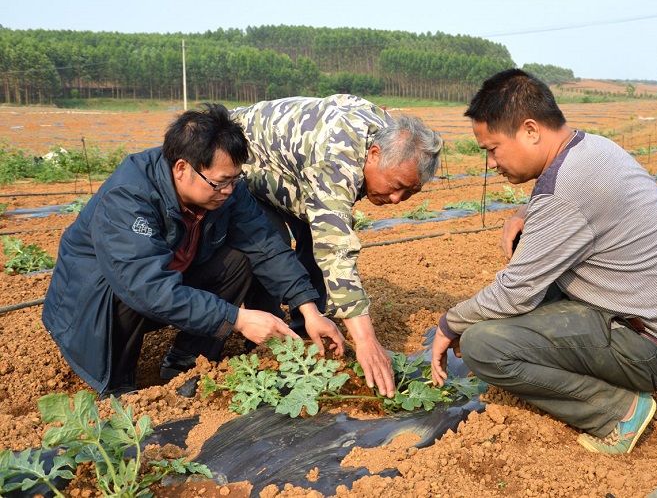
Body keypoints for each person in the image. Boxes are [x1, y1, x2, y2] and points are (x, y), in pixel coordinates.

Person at [430, 69, 657, 454]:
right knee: (516, 299)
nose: (491, 162)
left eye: (492, 148)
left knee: (482, 344)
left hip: (648, 349)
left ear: (530, 131)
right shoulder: (590, 149)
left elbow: (512, 295)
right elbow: (572, 205)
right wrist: (527, 213)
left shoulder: (566, 189)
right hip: (649, 325)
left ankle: (617, 412)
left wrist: (448, 324)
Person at [43, 103, 345, 398]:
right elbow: (147, 288)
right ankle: (118, 382)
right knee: (124, 287)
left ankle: (188, 360)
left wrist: (309, 310)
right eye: (220, 182)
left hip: (166, 282)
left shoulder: (226, 192)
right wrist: (238, 319)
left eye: (234, 179)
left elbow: (265, 246)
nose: (228, 190)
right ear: (182, 169)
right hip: (94, 304)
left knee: (240, 260)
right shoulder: (129, 196)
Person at [230, 94, 443, 398]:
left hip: (297, 171)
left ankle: (307, 326)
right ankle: (268, 344)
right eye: (395, 186)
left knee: (314, 234)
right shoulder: (338, 154)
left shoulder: (388, 139)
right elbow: (335, 249)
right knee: (269, 243)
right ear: (373, 154)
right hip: (248, 157)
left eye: (409, 192)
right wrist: (366, 340)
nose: (396, 199)